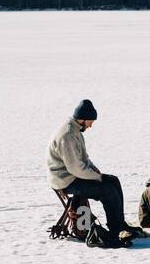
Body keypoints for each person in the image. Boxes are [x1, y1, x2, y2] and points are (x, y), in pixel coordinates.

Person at [47, 99, 139, 244]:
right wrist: (97, 177)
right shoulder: (68, 135)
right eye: (90, 121)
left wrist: (96, 172)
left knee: (113, 180)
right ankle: (116, 230)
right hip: (65, 180)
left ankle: (120, 224)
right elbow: (75, 168)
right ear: (82, 118)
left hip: (73, 175)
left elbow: (84, 159)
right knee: (107, 190)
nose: (91, 125)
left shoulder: (75, 130)